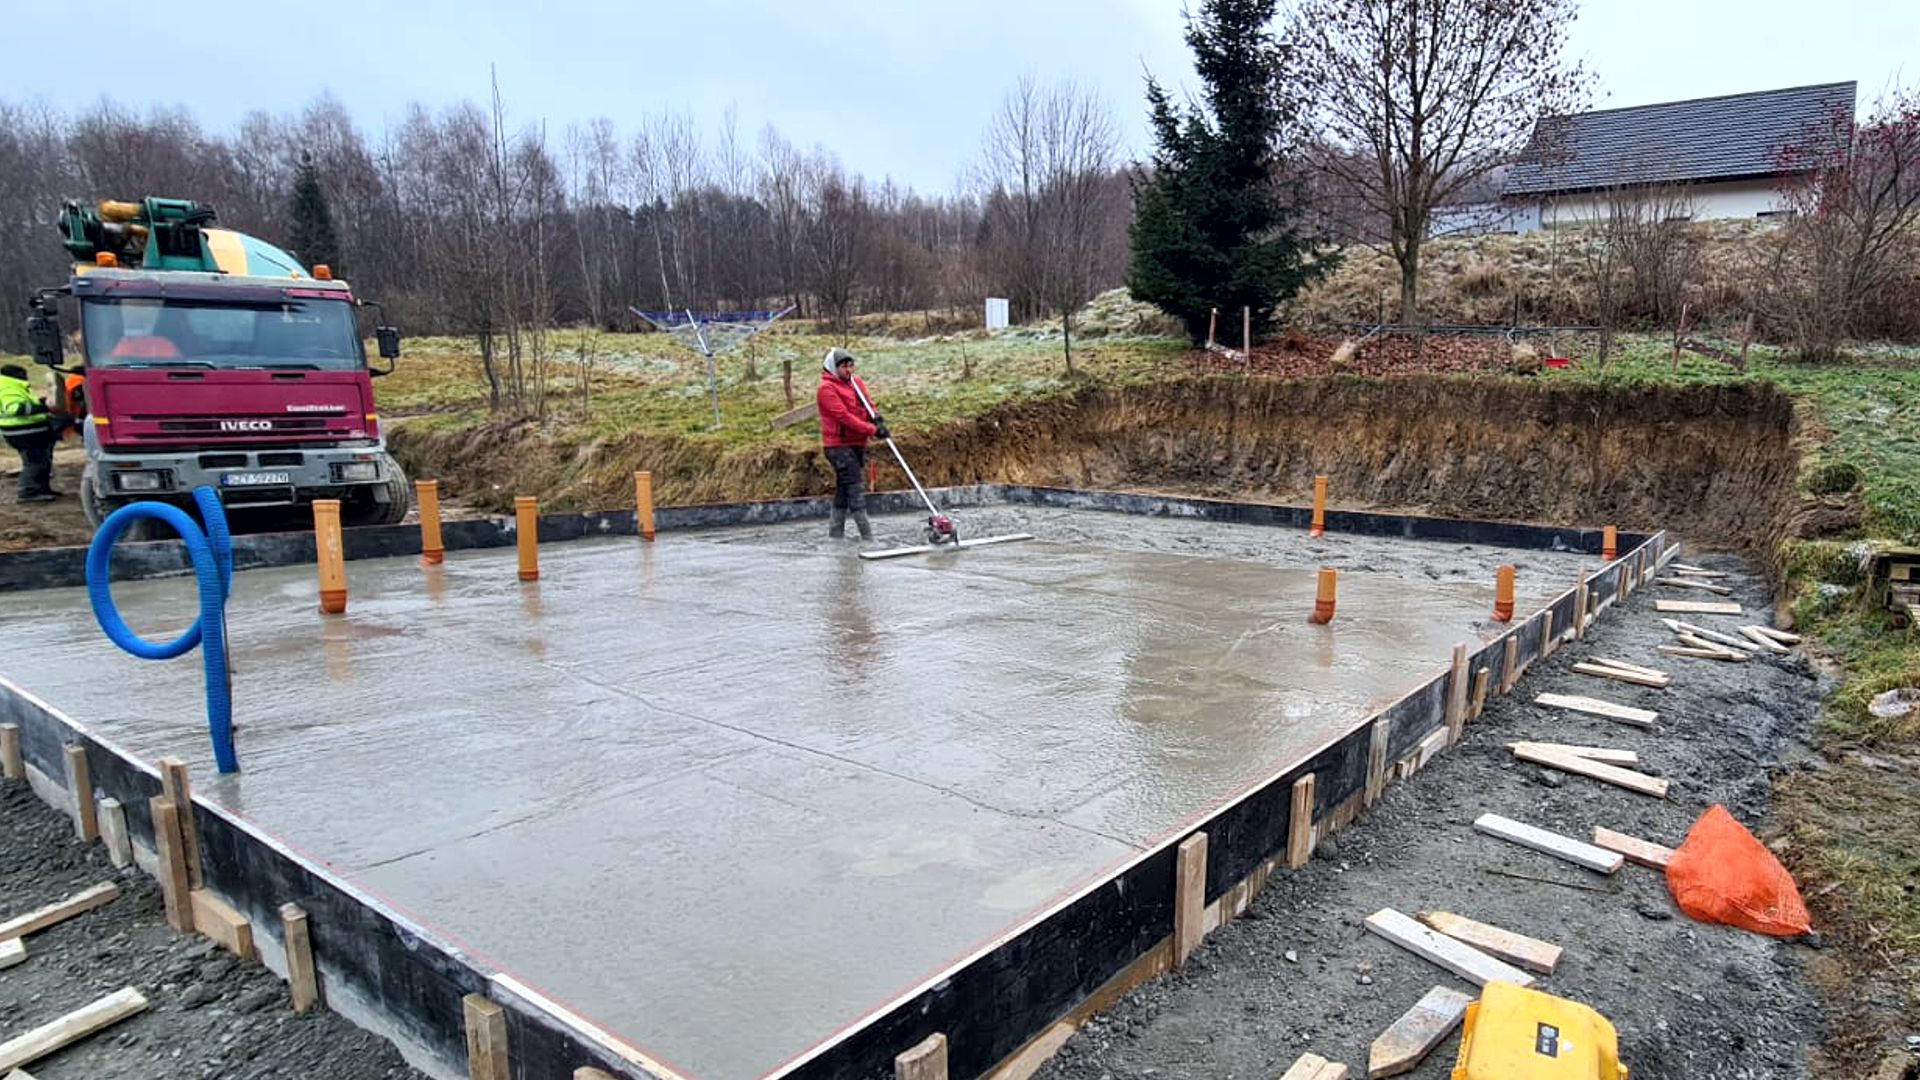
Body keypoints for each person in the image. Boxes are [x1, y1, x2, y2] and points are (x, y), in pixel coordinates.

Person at [816, 347, 890, 540]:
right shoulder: (826, 389)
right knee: (855, 487)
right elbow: (844, 417)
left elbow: (867, 403)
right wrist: (872, 430)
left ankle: (835, 534)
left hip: (857, 443)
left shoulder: (856, 382)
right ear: (833, 368)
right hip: (838, 446)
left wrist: (877, 419)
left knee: (843, 489)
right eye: (844, 367)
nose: (848, 370)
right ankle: (868, 536)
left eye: (851, 366)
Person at [0, 364, 62, 503]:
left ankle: (42, 489)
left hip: (28, 431)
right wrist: (43, 407)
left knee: (42, 461)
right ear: (17, 375)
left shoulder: (13, 386)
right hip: (23, 433)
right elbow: (15, 408)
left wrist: (41, 402)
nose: (26, 377)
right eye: (24, 374)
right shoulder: (9, 388)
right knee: (34, 463)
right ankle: (28, 492)